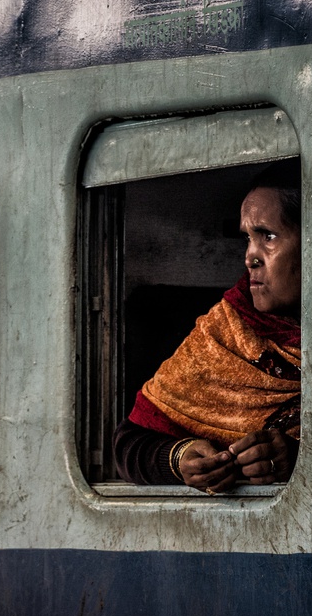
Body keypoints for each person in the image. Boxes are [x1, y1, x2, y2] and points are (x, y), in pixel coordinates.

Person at [113, 162, 302, 493]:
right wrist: (180, 458)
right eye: (248, 238)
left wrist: (300, 458)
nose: (250, 257)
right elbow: (128, 445)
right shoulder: (226, 332)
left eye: (268, 236)